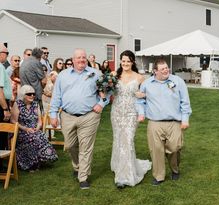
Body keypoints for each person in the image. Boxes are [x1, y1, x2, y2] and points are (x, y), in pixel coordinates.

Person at [50, 48, 108, 190]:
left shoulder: (96, 74)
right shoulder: (63, 75)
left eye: (83, 57)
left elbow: (108, 90)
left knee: (86, 146)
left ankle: (83, 177)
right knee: (70, 145)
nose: (81, 60)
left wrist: (101, 103)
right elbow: (56, 96)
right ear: (73, 59)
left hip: (89, 116)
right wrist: (53, 114)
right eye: (78, 58)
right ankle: (77, 166)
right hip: (67, 116)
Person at [137, 58, 192, 185]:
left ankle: (175, 169)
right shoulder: (147, 83)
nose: (166, 70)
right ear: (155, 71)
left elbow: (185, 101)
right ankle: (158, 176)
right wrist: (141, 113)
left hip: (174, 122)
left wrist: (185, 119)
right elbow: (140, 100)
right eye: (162, 69)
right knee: (156, 150)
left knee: (174, 148)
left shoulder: (177, 81)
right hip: (155, 122)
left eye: (167, 67)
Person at [111, 50, 152, 189]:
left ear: (132, 62)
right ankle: (119, 166)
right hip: (116, 112)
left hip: (131, 113)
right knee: (118, 139)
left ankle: (125, 176)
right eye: (123, 61)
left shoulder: (140, 78)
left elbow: (147, 94)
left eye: (128, 61)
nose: (125, 63)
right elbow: (107, 91)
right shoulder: (114, 75)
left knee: (127, 140)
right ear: (120, 61)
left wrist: (142, 95)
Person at [10, 85, 58, 172]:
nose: (32, 96)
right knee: (32, 138)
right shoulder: (18, 104)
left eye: (33, 94)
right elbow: (13, 121)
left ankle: (40, 161)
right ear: (23, 95)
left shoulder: (35, 104)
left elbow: (40, 121)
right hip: (21, 131)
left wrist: (37, 127)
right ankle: (29, 164)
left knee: (41, 136)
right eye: (29, 94)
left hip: (34, 129)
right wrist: (26, 129)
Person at [20, 47, 47, 112]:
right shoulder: (36, 62)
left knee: (26, 115)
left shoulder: (24, 62)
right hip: (35, 95)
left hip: (24, 93)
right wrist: (42, 88)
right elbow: (44, 81)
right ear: (40, 56)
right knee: (38, 115)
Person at [0, 43, 12, 149]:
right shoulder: (0, 67)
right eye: (6, 53)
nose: (7, 55)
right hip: (1, 104)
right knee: (2, 133)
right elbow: (0, 90)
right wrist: (5, 108)